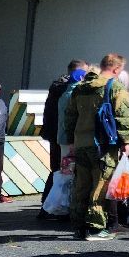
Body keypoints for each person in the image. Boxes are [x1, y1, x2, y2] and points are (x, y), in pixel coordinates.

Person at [64, 56, 129, 240]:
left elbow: (70, 115)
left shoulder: (80, 87)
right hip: (103, 144)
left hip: (81, 142)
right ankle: (95, 228)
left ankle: (79, 227)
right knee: (100, 186)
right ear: (117, 69)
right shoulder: (115, 87)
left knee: (81, 186)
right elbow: (122, 117)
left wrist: (71, 139)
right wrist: (126, 141)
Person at [40, 60, 86, 209]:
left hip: (55, 135)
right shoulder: (71, 89)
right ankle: (56, 206)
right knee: (65, 172)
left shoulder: (56, 87)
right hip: (66, 136)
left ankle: (48, 205)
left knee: (58, 171)